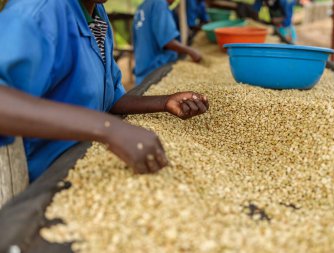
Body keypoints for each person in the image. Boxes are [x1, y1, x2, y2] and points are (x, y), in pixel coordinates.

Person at [0, 0, 209, 182]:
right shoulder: (36, 11)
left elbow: (109, 99)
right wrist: (108, 129)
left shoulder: (97, 15)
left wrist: (164, 102)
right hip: (41, 177)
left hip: (82, 158)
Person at [133, 0, 203, 85]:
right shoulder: (160, 3)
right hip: (156, 71)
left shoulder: (142, 6)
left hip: (142, 71)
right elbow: (168, 42)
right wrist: (191, 52)